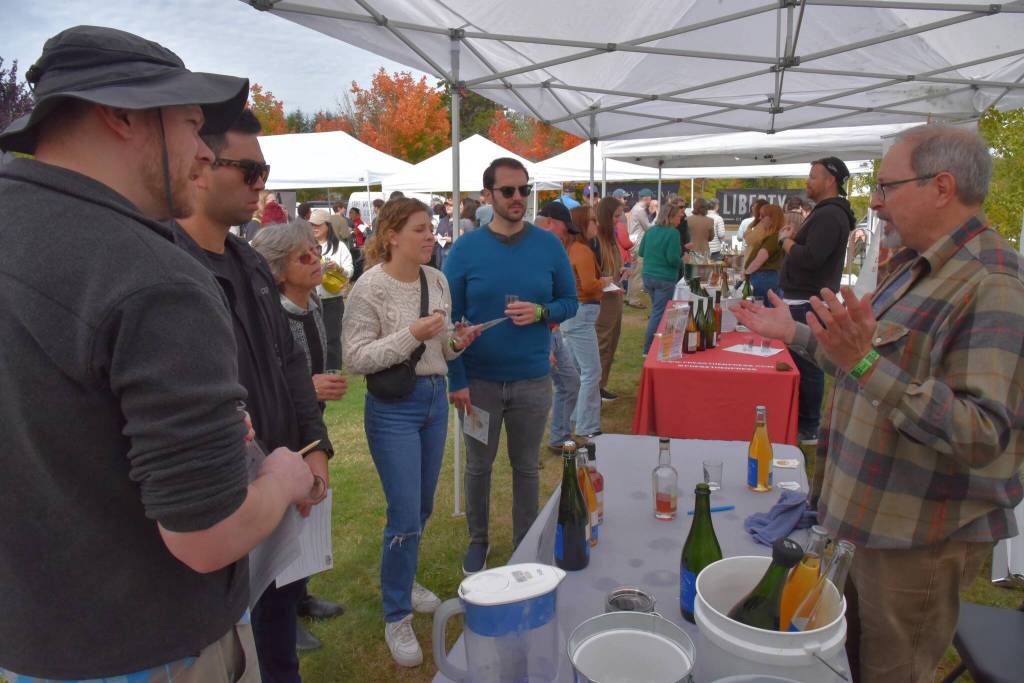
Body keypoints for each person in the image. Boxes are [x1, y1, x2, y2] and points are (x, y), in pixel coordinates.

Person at [0, 25, 314, 682]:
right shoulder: (155, 277)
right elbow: (208, 535)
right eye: (193, 126)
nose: (206, 153)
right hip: (153, 649)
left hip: (37, 645)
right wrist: (282, 475)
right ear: (120, 113)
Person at [733, 123, 1024, 683]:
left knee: (890, 670)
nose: (876, 203)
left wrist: (865, 362)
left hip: (915, 541)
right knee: (844, 660)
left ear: (941, 186)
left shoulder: (992, 284)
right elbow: (861, 362)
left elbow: (981, 433)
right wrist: (793, 335)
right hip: (866, 524)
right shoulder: (917, 267)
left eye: (888, 187)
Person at [177, 108, 333, 683]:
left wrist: (314, 446)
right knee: (229, 640)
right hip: (218, 496)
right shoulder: (167, 264)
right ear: (200, 164)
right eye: (248, 170)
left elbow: (289, 361)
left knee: (277, 630)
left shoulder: (248, 263)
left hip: (283, 475)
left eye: (263, 170)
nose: (260, 184)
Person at [344, 198, 480, 666]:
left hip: (432, 400)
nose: (430, 237)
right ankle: (396, 615)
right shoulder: (369, 288)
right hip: (392, 409)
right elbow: (356, 358)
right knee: (403, 513)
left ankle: (404, 578)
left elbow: (442, 351)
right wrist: (413, 335)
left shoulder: (437, 280)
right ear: (392, 236)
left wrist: (458, 341)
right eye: (421, 230)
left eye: (429, 230)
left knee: (421, 506)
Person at [444, 158, 578, 574]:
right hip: (480, 383)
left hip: (532, 381)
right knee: (478, 467)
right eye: (508, 191)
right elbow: (449, 321)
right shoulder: (465, 248)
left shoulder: (548, 244)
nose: (518, 198)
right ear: (488, 196)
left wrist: (541, 313)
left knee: (526, 467)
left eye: (524, 190)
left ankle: (524, 543)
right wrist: (458, 378)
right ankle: (478, 541)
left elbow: (569, 302)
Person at [251, 219, 349, 653]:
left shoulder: (309, 303)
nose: (317, 261)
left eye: (316, 250)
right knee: (283, 521)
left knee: (307, 514)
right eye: (304, 256)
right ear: (275, 271)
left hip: (307, 425)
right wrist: (307, 387)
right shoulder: (266, 317)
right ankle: (281, 613)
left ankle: (300, 595)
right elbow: (260, 383)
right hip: (275, 434)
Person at [778, 156, 855, 445]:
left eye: (813, 176)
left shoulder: (829, 215)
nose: (807, 182)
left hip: (808, 303)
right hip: (804, 300)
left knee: (809, 363)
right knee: (800, 362)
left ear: (830, 180)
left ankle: (809, 426)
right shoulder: (826, 213)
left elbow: (811, 258)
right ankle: (802, 420)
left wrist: (785, 242)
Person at [533, 208, 581, 457]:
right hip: (541, 333)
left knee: (570, 381)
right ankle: (531, 449)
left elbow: (565, 299)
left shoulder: (550, 250)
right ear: (550, 223)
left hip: (551, 330)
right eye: (565, 230)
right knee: (535, 396)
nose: (566, 236)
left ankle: (559, 436)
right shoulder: (528, 250)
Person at [561, 204, 611, 438]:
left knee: (576, 371)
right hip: (581, 314)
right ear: (582, 224)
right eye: (592, 220)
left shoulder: (573, 248)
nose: (596, 224)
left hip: (575, 314)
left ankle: (574, 417)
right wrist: (605, 281)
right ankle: (588, 426)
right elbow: (589, 284)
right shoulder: (581, 250)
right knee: (592, 371)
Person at [310, 208, 353, 371]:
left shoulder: (339, 247)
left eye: (318, 225)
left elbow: (350, 271)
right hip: (311, 299)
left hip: (332, 298)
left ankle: (333, 370)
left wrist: (338, 268)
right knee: (314, 336)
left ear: (327, 226)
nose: (314, 228)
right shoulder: (306, 245)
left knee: (332, 337)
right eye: (312, 225)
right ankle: (316, 369)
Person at [639, 201, 683, 354]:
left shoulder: (651, 231)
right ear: (670, 217)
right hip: (664, 277)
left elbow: (641, 252)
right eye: (678, 216)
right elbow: (672, 259)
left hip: (648, 275)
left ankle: (655, 344)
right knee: (659, 313)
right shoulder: (673, 233)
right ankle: (649, 349)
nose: (680, 219)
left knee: (657, 311)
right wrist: (682, 260)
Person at [594, 196, 626, 401]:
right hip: (603, 300)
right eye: (616, 216)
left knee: (612, 341)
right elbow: (594, 274)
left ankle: (601, 384)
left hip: (614, 296)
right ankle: (594, 387)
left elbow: (611, 267)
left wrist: (621, 271)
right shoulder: (596, 239)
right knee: (602, 343)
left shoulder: (610, 237)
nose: (619, 220)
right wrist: (608, 282)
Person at [742, 203, 785, 304]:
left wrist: (746, 273)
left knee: (761, 307)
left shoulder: (774, 238)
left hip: (764, 278)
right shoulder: (771, 236)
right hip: (764, 277)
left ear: (772, 218)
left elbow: (759, 260)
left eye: (763, 216)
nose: (760, 219)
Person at [625, 188, 653, 308]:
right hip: (638, 244)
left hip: (633, 242)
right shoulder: (640, 210)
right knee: (638, 273)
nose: (651, 200)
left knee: (633, 272)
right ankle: (634, 300)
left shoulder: (634, 208)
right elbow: (649, 228)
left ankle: (630, 297)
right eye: (650, 198)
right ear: (646, 198)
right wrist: (657, 216)